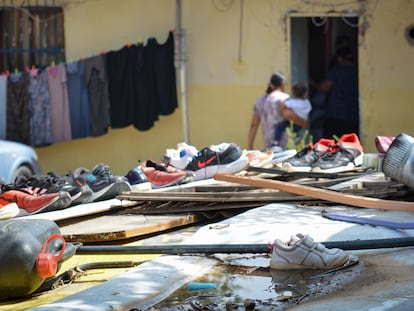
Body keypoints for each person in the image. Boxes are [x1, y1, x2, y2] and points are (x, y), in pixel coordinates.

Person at [247, 72, 307, 150]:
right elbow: (288, 115)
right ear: (282, 85)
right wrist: (304, 123)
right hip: (286, 143)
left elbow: (253, 125)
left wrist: (250, 147)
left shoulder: (260, 101)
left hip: (268, 143)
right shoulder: (284, 99)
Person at [319, 47, 359, 138]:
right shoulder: (358, 71)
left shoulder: (337, 70)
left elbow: (324, 87)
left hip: (336, 114)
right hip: (353, 115)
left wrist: (314, 84)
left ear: (340, 59)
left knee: (332, 144)